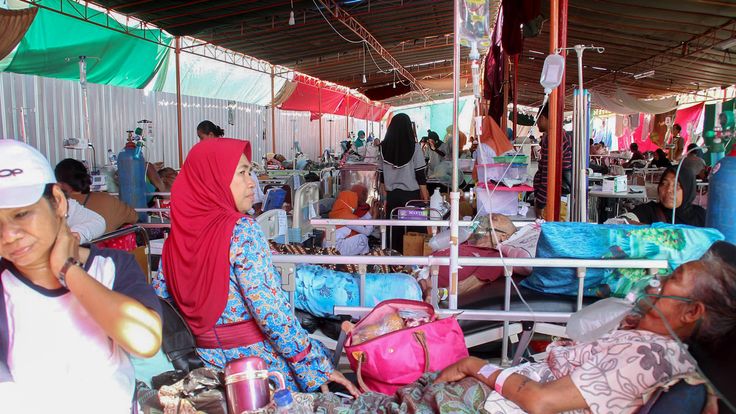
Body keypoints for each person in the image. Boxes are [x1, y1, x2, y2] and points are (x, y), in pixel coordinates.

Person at [311, 243, 736, 412]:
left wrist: (477, 365)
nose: (655, 283)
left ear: (690, 312)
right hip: (493, 393)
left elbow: (540, 401)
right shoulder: (638, 336)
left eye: (671, 280)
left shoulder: (649, 358)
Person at [153, 138, 358, 395]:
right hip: (255, 371)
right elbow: (271, 314)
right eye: (241, 173)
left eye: (250, 172)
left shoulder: (174, 241)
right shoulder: (241, 231)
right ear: (213, 179)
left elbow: (161, 304)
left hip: (205, 371)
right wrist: (314, 364)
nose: (252, 182)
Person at [0, 140, 162, 413]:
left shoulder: (112, 268)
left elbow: (144, 340)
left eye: (22, 214)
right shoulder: (6, 292)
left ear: (59, 201)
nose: (9, 234)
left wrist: (68, 270)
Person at [378, 113, 428, 253]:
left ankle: (394, 260)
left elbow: (381, 178)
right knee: (414, 231)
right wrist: (424, 194)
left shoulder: (383, 148)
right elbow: (420, 174)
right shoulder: (415, 147)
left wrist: (384, 198)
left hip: (393, 197)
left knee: (395, 231)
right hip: (412, 198)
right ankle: (415, 260)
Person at [55, 158, 138, 233]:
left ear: (59, 183)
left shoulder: (57, 207)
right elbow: (134, 217)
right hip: (110, 248)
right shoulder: (107, 199)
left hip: (77, 248)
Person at [627, 166, 705, 226]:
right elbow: (624, 221)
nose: (668, 190)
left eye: (676, 186)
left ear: (688, 190)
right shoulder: (649, 211)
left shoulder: (701, 215)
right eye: (664, 184)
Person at [533, 104, 572, 218]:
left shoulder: (553, 139)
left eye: (538, 120)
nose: (537, 124)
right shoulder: (561, 135)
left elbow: (548, 175)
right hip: (558, 198)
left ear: (543, 118)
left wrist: (540, 203)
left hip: (553, 200)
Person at [328, 190, 375, 256]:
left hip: (329, 247)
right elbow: (367, 232)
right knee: (362, 238)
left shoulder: (337, 213)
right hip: (335, 249)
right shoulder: (347, 216)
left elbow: (358, 222)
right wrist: (373, 217)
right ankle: (366, 262)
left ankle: (364, 260)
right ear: (349, 201)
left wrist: (370, 212)